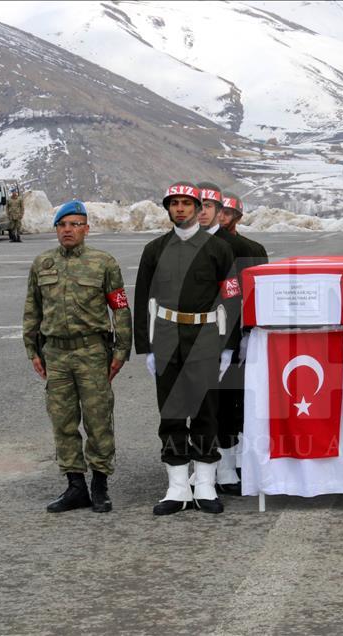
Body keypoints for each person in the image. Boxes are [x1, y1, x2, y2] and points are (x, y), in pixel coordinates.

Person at [133, 181, 241, 515]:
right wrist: (146, 347)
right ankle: (177, 487)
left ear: (198, 208)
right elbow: (142, 298)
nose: (180, 208)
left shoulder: (219, 250)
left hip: (206, 338)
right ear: (168, 208)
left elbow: (233, 299)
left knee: (206, 412)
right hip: (166, 337)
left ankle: (206, 484)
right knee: (172, 414)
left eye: (186, 203)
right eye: (174, 203)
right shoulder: (154, 249)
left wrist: (229, 347)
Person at [22, 200, 132, 513]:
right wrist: (32, 348)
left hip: (92, 352)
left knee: (98, 419)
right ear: (56, 229)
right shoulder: (42, 264)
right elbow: (32, 309)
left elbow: (120, 307)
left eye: (74, 224)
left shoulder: (103, 263)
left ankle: (100, 484)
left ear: (86, 228)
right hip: (55, 353)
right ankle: (75, 485)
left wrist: (121, 350)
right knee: (63, 421)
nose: (68, 230)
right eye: (62, 225)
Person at [195, 182, 255, 496]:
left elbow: (249, 299)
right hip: (196, 333)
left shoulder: (247, 249)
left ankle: (230, 464)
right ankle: (206, 463)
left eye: (215, 208)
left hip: (233, 334)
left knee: (231, 400)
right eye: (200, 205)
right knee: (202, 401)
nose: (205, 212)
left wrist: (244, 335)